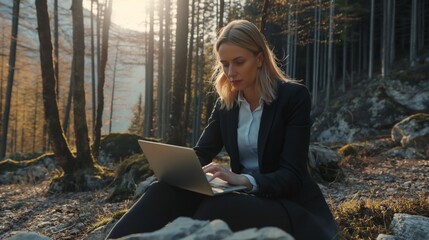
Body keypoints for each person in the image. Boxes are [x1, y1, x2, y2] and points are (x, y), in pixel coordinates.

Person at [106, 19, 338, 240]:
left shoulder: (293, 97)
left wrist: (242, 180)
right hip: (242, 196)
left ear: (259, 59)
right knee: (161, 191)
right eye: (224, 64)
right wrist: (176, 171)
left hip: (288, 205)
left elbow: (292, 177)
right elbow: (202, 152)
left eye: (239, 62)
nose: (230, 72)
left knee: (217, 206)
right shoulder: (226, 104)